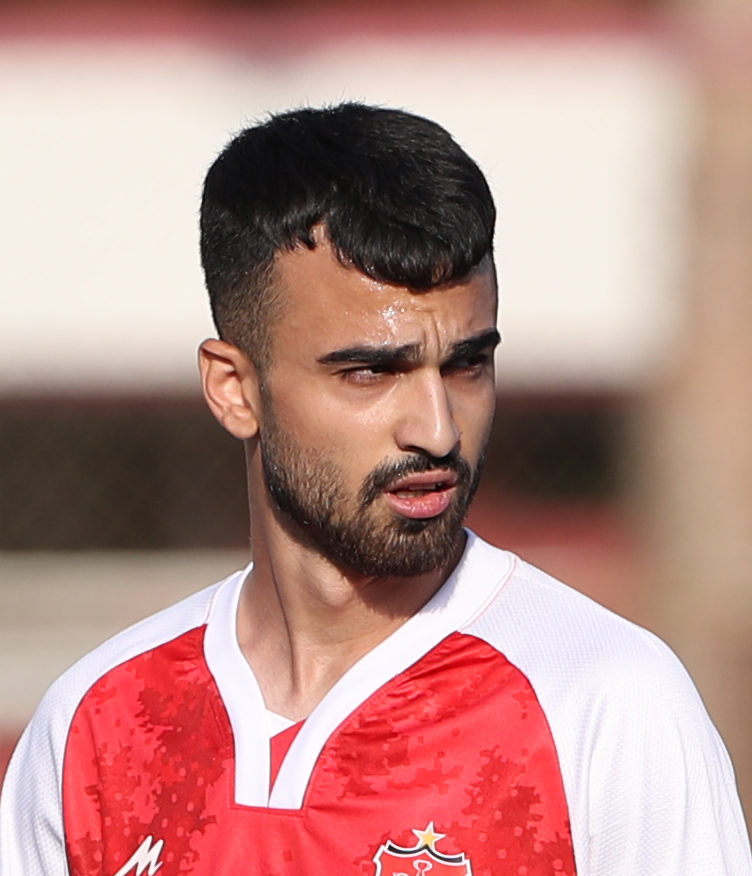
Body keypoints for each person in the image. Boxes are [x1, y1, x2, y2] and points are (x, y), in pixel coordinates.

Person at [0, 102, 750, 876]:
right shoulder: (96, 728)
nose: (438, 430)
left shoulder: (604, 703)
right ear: (234, 389)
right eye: (370, 372)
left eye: (466, 365)